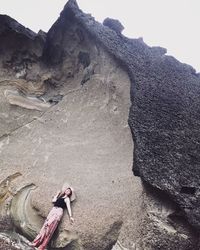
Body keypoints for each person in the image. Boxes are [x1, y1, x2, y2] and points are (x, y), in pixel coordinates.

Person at [31, 183, 76, 250]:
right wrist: (57, 194)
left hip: (58, 212)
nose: (67, 191)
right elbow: (53, 201)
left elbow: (69, 208)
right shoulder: (60, 197)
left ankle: (42, 247)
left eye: (69, 191)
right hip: (53, 210)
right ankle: (35, 242)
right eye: (67, 190)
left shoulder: (67, 199)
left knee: (50, 229)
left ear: (70, 193)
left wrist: (71, 216)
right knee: (45, 226)